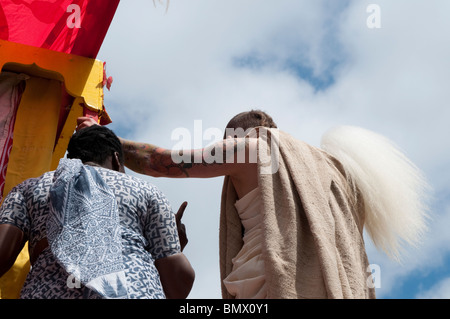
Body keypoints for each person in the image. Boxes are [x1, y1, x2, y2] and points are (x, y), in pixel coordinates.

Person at [77, 110, 429, 299]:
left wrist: (99, 135)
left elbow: (160, 162)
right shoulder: (328, 171)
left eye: (224, 140)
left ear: (237, 137)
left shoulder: (254, 148)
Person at [0, 125, 194, 299]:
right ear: (117, 160)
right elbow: (176, 288)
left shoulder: (31, 188)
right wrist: (174, 246)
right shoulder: (146, 191)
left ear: (70, 159)